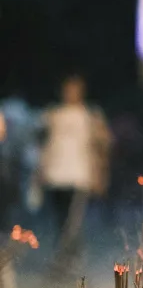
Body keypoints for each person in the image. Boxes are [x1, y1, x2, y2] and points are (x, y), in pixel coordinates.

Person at [39, 76, 112, 269]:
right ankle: (69, 259)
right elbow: (43, 145)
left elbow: (103, 144)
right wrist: (41, 170)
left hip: (79, 176)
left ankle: (65, 261)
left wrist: (100, 173)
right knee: (60, 220)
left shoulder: (90, 115)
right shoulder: (52, 114)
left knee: (73, 221)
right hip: (55, 176)